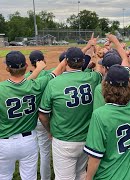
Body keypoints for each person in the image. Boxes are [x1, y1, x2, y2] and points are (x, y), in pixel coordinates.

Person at [0, 50, 65, 180]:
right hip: (29, 141)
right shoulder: (36, 85)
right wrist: (65, 59)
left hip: (6, 143)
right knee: (29, 176)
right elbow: (56, 72)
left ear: (7, 68)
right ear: (26, 66)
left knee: (3, 176)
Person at [38, 47, 102, 180]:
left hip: (63, 140)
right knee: (80, 174)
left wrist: (50, 131)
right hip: (86, 138)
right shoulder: (93, 78)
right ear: (83, 61)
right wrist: (98, 54)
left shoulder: (54, 83)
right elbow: (100, 70)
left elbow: (43, 114)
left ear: (66, 61)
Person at [83, 65, 130, 180]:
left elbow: (95, 157)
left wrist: (88, 178)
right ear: (128, 86)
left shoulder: (100, 115)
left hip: (107, 175)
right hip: (129, 175)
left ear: (105, 86)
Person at [25, 50, 53, 180]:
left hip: (28, 120)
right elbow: (65, 64)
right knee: (45, 153)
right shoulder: (49, 74)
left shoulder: (25, 78)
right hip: (44, 119)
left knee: (31, 152)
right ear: (43, 60)